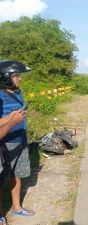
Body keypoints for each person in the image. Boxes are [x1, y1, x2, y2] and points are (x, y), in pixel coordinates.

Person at [0, 60, 34, 224]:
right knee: (0, 179)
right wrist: (12, 120)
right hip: (5, 143)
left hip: (20, 138)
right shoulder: (0, 96)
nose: (19, 79)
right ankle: (0, 214)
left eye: (19, 75)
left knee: (17, 175)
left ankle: (16, 206)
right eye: (15, 76)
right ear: (5, 77)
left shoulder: (17, 91)